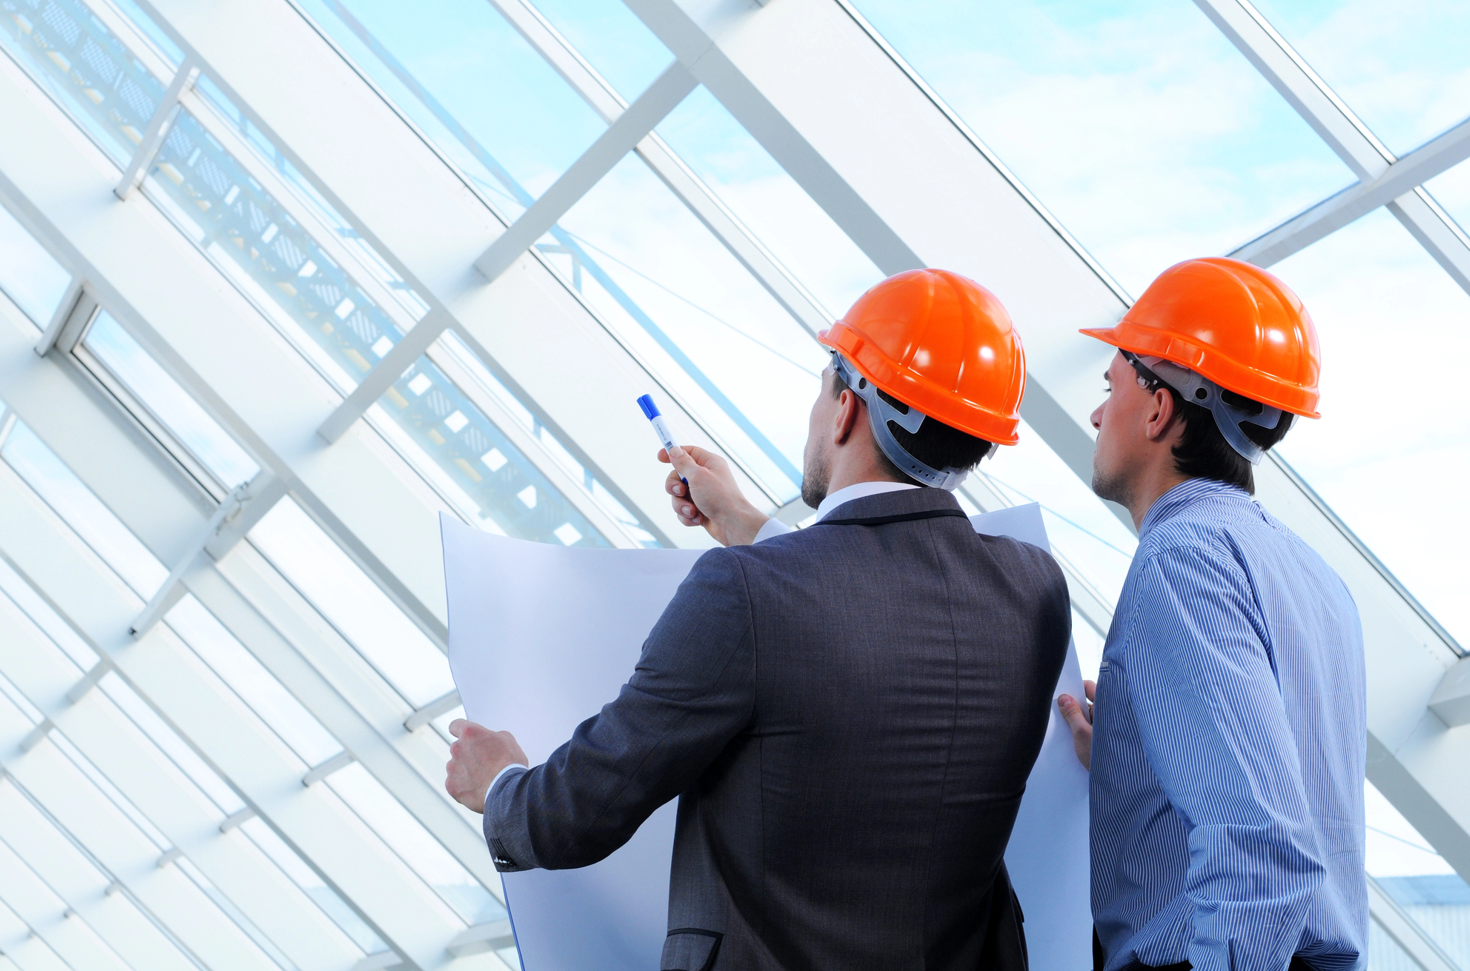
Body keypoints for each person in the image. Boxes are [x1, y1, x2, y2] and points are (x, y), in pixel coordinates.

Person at [445, 269, 1072, 970]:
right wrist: (751, 525)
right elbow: (875, 605)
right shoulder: (1033, 590)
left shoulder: (744, 593)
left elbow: (576, 812)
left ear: (845, 408)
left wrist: (498, 783)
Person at [1055, 257, 1367, 971]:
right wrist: (1134, 764)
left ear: (1160, 407)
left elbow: (1260, 848)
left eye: (1113, 385)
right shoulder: (1316, 578)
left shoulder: (1183, 556)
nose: (1100, 412)